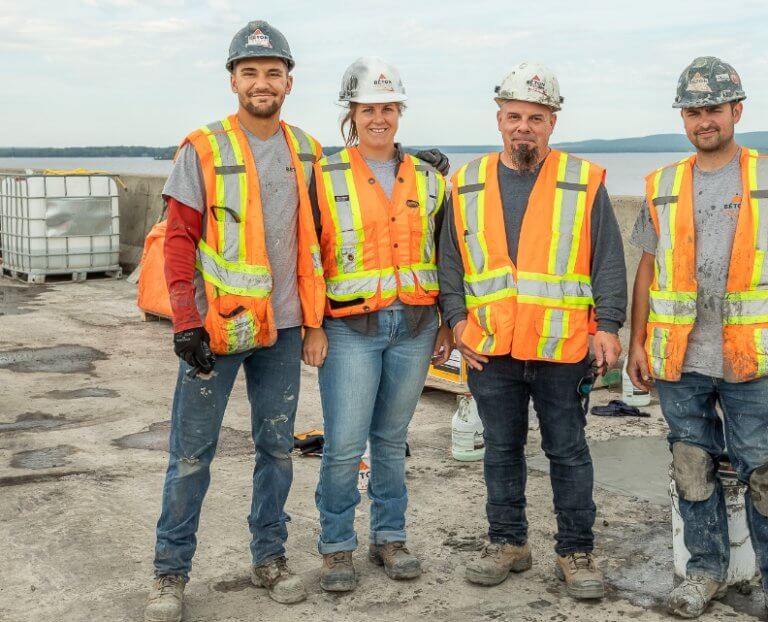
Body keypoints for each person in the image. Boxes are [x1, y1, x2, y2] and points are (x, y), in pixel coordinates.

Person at [144, 21, 326, 622]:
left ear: (289, 82)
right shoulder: (203, 147)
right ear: (233, 81)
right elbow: (178, 240)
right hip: (216, 329)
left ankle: (269, 558)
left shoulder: (309, 151)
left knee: (277, 448)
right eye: (250, 72)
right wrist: (185, 321)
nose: (261, 82)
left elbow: (331, 227)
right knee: (191, 455)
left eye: (273, 72)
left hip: (284, 327)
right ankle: (170, 574)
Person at [437, 62, 627, 600]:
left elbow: (608, 260)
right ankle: (508, 543)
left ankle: (576, 551)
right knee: (501, 448)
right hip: (491, 347)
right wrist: (457, 322)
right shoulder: (466, 182)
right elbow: (450, 261)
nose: (525, 127)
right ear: (499, 119)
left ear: (552, 123)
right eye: (515, 116)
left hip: (562, 348)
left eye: (536, 118)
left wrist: (608, 326)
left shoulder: (582, 182)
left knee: (567, 450)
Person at [301, 56, 453, 592]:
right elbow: (309, 256)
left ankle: (390, 538)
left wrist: (446, 322)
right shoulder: (325, 176)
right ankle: (336, 547)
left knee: (391, 440)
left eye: (388, 108)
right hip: (349, 330)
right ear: (352, 113)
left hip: (415, 326)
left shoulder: (430, 179)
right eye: (368, 109)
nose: (378, 118)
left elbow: (446, 255)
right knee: (345, 445)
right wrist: (313, 326)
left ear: (400, 111)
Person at [627, 56, 768, 618]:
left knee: (762, 472)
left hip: (753, 360)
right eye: (692, 112)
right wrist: (636, 342)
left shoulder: (764, 179)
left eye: (713, 109)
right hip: (680, 357)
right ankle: (704, 572)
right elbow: (647, 267)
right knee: (691, 464)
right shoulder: (662, 186)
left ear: (737, 110)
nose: (703, 120)